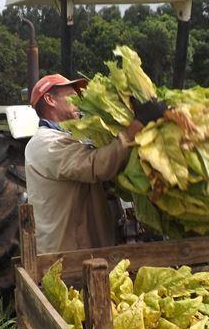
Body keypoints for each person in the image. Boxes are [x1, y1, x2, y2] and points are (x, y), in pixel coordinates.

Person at [24, 73, 166, 255]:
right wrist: (136, 127)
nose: (78, 101)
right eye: (71, 95)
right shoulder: (45, 143)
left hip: (88, 251)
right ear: (50, 99)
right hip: (66, 256)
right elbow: (94, 166)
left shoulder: (73, 138)